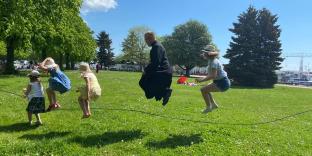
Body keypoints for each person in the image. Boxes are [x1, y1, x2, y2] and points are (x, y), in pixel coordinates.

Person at [139, 31, 173, 106]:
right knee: (146, 82)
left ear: (149, 39)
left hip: (163, 72)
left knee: (143, 82)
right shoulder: (157, 46)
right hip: (165, 71)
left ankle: (164, 92)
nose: (145, 41)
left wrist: (146, 70)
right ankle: (163, 92)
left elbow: (156, 62)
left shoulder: (156, 47)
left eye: (145, 39)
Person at [195, 45, 231, 113]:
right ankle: (214, 105)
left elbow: (213, 75)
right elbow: (211, 75)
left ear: (209, 54)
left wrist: (202, 80)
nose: (203, 54)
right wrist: (202, 78)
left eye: (205, 53)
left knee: (203, 90)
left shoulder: (214, 62)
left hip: (222, 83)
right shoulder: (211, 60)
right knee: (205, 89)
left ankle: (208, 107)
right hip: (219, 81)